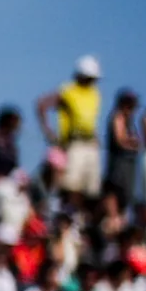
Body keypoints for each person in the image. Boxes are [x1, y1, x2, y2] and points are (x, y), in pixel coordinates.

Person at [52, 56, 106, 198]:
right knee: (71, 185)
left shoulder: (95, 94)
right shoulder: (68, 91)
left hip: (91, 143)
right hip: (74, 142)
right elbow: (42, 104)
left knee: (91, 188)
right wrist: (50, 134)